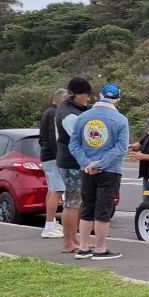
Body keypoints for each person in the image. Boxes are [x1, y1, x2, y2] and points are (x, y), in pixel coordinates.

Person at [69, 83, 130, 260]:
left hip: (86, 170)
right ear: (118, 99)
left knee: (87, 207)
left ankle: (83, 247)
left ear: (100, 96)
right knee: (103, 209)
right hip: (110, 170)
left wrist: (87, 163)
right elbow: (121, 147)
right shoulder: (120, 120)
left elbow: (74, 144)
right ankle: (101, 248)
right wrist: (100, 164)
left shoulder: (83, 117)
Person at [55, 77, 92, 254]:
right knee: (72, 202)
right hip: (71, 162)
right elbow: (81, 139)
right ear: (77, 95)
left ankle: (75, 238)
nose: (88, 98)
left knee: (78, 201)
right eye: (86, 95)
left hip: (71, 161)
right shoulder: (69, 115)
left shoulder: (73, 109)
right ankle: (68, 242)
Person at [38, 87, 68, 239]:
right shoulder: (54, 114)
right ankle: (49, 225)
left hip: (47, 156)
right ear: (62, 100)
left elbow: (43, 137)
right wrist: (59, 157)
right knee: (57, 190)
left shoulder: (47, 112)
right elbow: (53, 137)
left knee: (52, 190)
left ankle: (52, 222)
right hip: (53, 157)